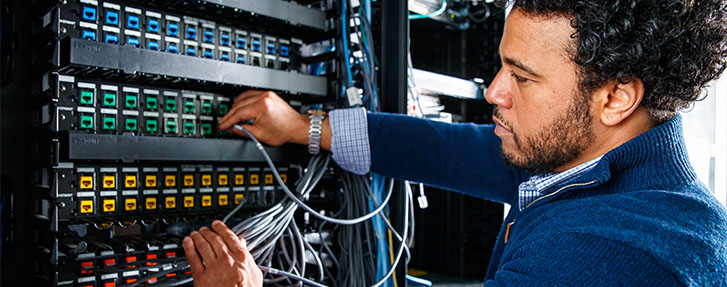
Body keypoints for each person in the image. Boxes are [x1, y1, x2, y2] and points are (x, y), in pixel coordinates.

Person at [182, 0, 727, 286]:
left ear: (615, 97)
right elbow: (441, 149)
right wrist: (306, 128)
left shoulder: (607, 255)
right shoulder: (608, 165)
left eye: (523, 76)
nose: (494, 91)